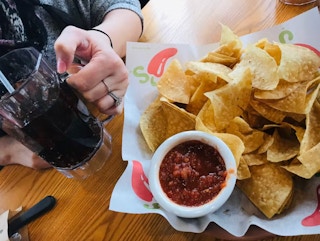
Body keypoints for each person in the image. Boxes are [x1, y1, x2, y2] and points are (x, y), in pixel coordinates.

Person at [0, 0, 144, 169]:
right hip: (30, 175)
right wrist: (8, 151)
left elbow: (124, 7)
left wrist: (102, 41)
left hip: (118, 125)